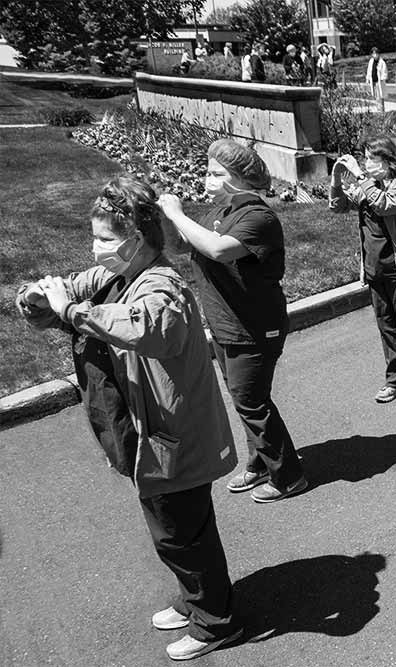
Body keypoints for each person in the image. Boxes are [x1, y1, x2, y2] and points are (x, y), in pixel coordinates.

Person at [15, 176, 242, 661]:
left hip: (174, 437)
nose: (94, 249)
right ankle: (197, 598)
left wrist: (72, 312)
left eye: (104, 239)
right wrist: (37, 298)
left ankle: (217, 621)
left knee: (183, 534)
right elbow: (70, 292)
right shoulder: (115, 277)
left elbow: (144, 328)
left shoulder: (164, 287)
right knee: (173, 529)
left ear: (136, 240)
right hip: (148, 435)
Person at [157, 139, 307, 504]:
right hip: (226, 325)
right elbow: (181, 246)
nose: (208, 180)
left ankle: (288, 475)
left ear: (239, 178)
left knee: (251, 401)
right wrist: (163, 214)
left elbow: (218, 249)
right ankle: (259, 462)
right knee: (244, 400)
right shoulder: (216, 214)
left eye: (216, 174)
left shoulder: (258, 217)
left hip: (255, 327)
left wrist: (178, 213)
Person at [328, 137, 396, 406]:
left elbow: (384, 205)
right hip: (375, 272)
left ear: (387, 161)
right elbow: (338, 206)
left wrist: (360, 176)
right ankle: (395, 382)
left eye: (370, 159)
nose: (365, 163)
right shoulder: (368, 186)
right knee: (386, 328)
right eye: (364, 159)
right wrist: (336, 181)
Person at [367, 47, 388, 112]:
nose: (374, 55)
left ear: (378, 54)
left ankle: (381, 110)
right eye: (373, 53)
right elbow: (369, 70)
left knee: (380, 96)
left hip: (379, 82)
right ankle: (378, 109)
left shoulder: (382, 62)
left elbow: (385, 71)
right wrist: (368, 78)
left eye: (375, 53)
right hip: (373, 81)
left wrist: (382, 78)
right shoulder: (371, 61)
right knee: (376, 96)